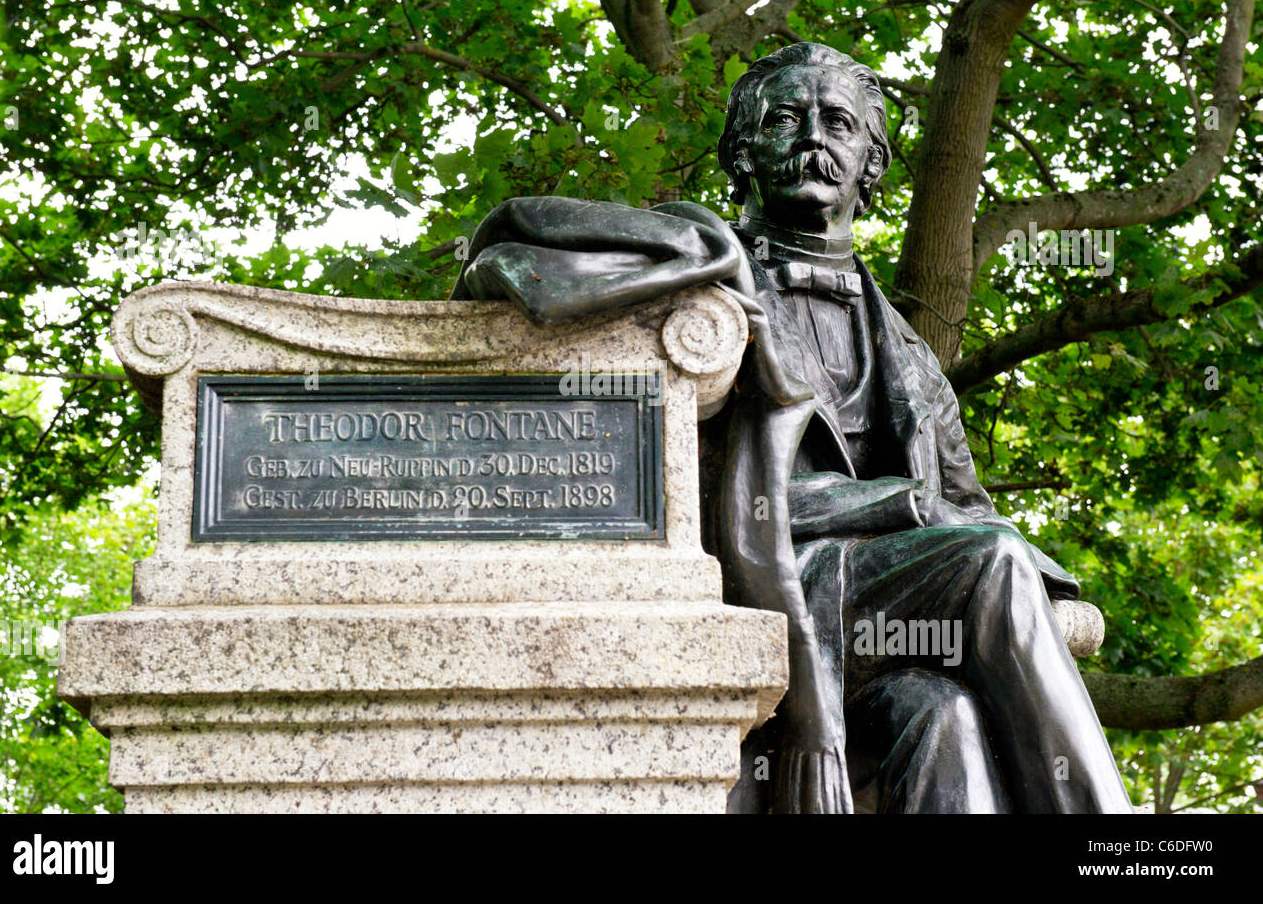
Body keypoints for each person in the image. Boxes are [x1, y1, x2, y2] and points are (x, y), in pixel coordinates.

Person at [452, 42, 1133, 814]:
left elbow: (969, 517)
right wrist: (697, 246)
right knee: (996, 564)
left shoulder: (911, 362)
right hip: (768, 596)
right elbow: (511, 237)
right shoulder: (703, 287)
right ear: (742, 154)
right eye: (785, 118)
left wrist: (1003, 573)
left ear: (870, 165)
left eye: (838, 122)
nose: (814, 136)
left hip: (875, 641)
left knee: (948, 717)